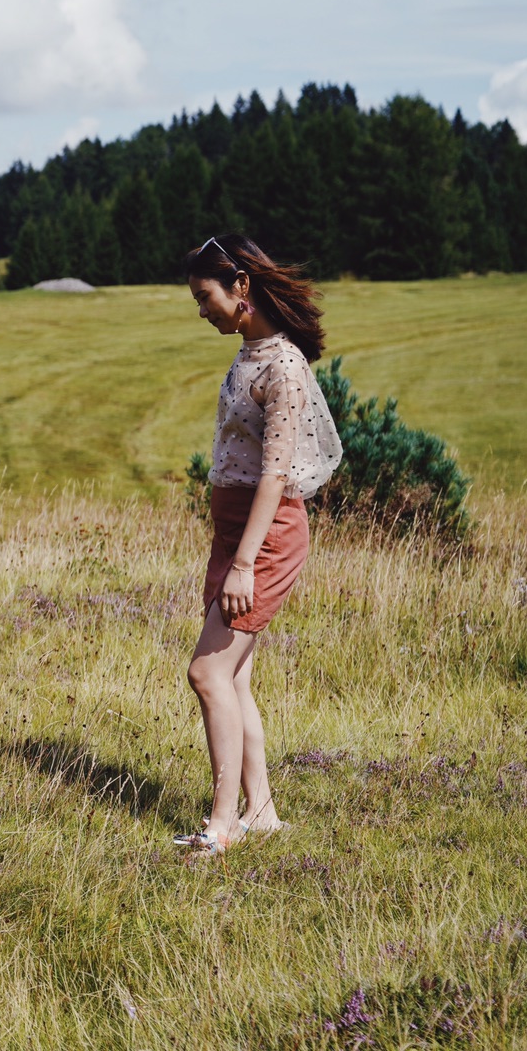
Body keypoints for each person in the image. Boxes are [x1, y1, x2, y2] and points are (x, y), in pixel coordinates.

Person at [175, 235, 343, 855]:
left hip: (263, 538)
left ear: (240, 286)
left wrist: (244, 563)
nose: (200, 309)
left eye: (203, 296)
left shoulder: (284, 366)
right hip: (234, 532)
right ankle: (262, 813)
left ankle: (221, 828)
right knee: (235, 676)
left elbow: (275, 474)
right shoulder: (251, 350)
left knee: (207, 672)